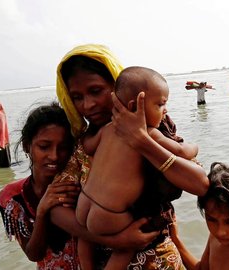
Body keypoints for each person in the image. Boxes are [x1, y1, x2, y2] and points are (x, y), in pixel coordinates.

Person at [51, 44, 209, 269]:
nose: (88, 105)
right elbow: (55, 209)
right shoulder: (83, 143)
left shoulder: (156, 127)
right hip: (108, 249)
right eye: (76, 97)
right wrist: (116, 240)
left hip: (158, 260)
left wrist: (142, 141)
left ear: (117, 87)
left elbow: (200, 184)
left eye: (96, 91)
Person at [0, 103, 80, 269]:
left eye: (63, 147)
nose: (54, 156)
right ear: (27, 146)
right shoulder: (12, 198)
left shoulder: (81, 186)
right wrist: (42, 211)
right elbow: (34, 254)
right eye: (44, 146)